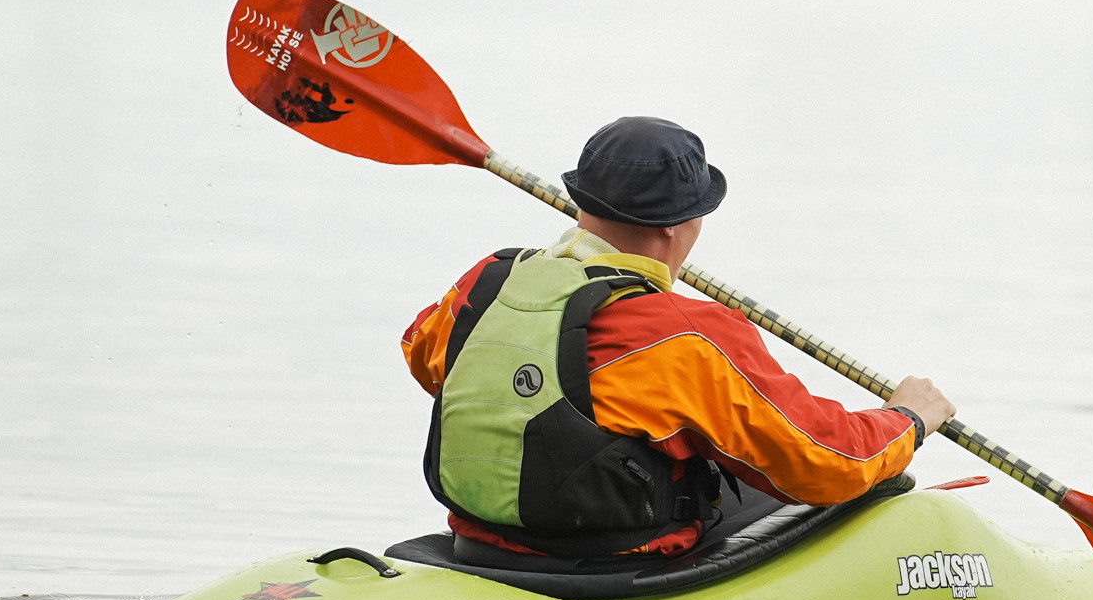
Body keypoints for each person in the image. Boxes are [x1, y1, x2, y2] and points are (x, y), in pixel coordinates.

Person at [403, 116, 956, 561]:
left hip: (480, 540)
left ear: (582, 201)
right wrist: (905, 421)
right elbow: (823, 460)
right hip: (613, 558)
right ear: (676, 225)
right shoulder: (687, 332)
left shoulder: (483, 283)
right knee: (864, 486)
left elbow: (427, 359)